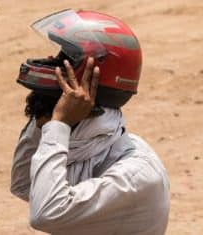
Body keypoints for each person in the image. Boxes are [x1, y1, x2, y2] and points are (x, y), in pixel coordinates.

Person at [11, 9, 170, 235]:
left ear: (91, 87)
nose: (52, 64)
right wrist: (44, 122)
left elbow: (45, 214)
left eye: (65, 62)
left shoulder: (136, 175)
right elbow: (23, 185)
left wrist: (58, 125)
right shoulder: (85, 145)